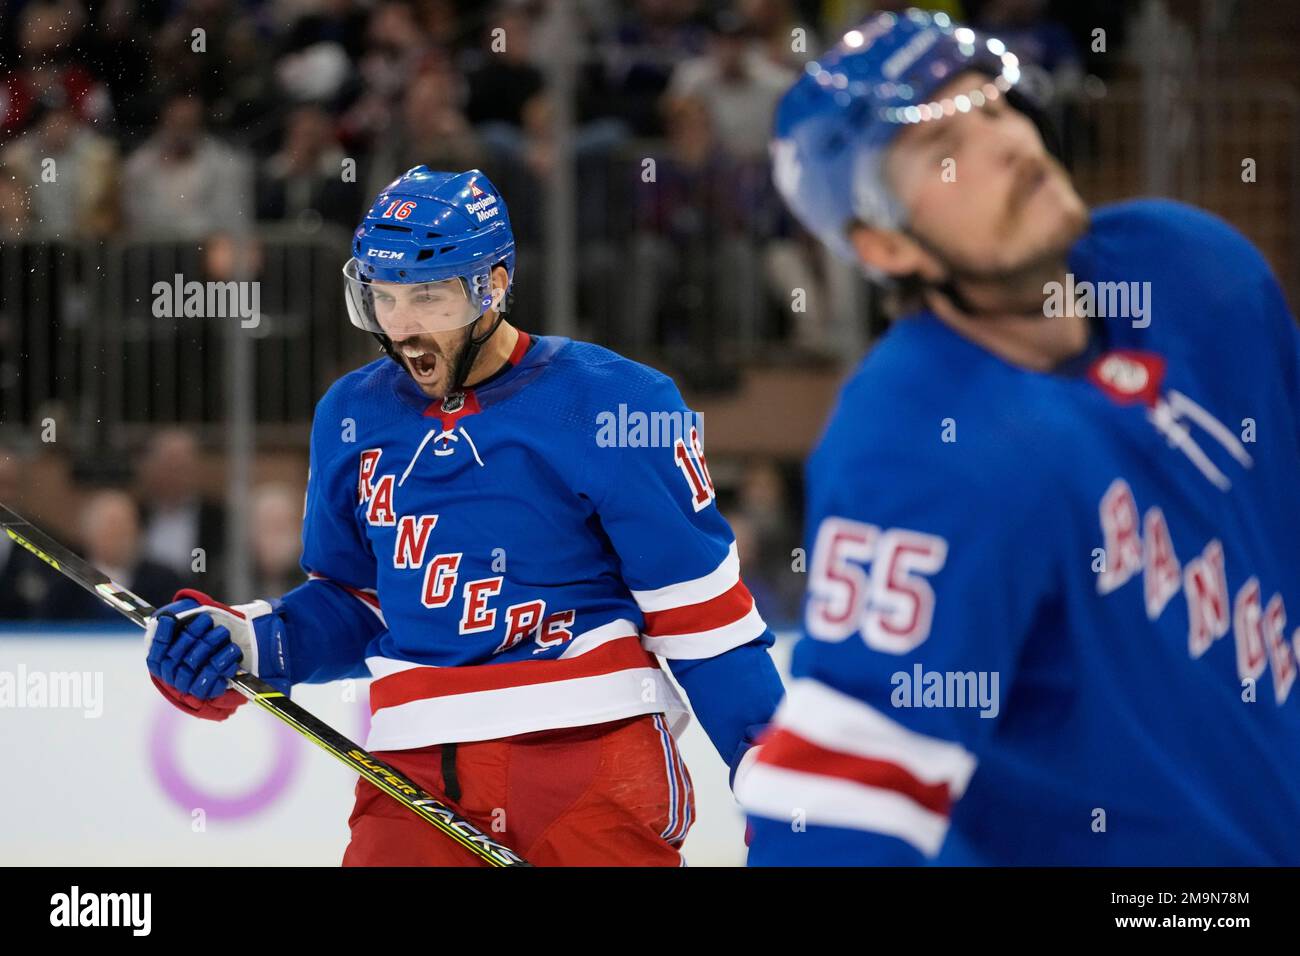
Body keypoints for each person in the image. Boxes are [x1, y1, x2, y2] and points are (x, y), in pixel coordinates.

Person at [739, 9, 1300, 864]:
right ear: (887, 245)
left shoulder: (1193, 271)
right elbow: (831, 808)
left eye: (995, 109)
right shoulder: (915, 444)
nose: (1006, 144)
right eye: (944, 151)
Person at [143, 166, 785, 866]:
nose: (403, 326)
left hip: (587, 761)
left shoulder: (616, 405)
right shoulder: (351, 415)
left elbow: (703, 621)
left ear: (495, 285)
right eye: (383, 298)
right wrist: (251, 642)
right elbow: (360, 600)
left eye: (429, 296)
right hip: (412, 776)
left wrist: (775, 779)